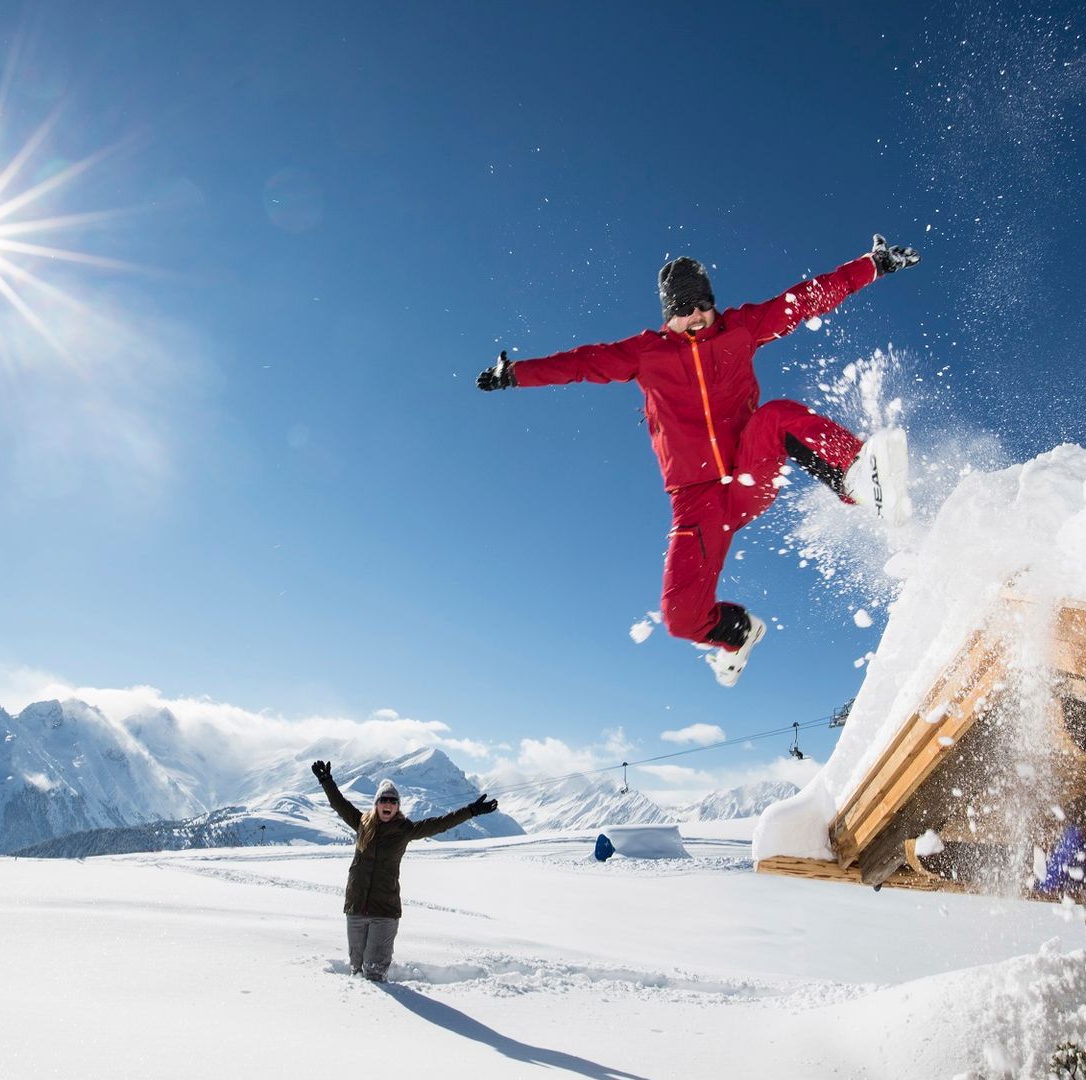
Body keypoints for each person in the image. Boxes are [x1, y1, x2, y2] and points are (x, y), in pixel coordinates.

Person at [476, 235, 921, 686]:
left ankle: (858, 477)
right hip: (697, 501)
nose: (695, 317)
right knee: (680, 618)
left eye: (702, 304)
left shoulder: (740, 328)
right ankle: (738, 633)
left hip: (749, 472)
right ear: (668, 314)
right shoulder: (645, 354)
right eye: (683, 309)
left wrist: (873, 266)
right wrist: (515, 373)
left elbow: (801, 301)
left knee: (777, 417)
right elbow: (580, 363)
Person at [311, 759, 498, 982]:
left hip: (384, 911)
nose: (387, 804)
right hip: (356, 907)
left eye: (392, 800)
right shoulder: (362, 823)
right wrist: (326, 781)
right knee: (356, 969)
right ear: (376, 803)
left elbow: (440, 823)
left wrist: (471, 811)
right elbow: (339, 804)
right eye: (383, 800)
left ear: (397, 806)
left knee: (374, 972)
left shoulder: (405, 830)